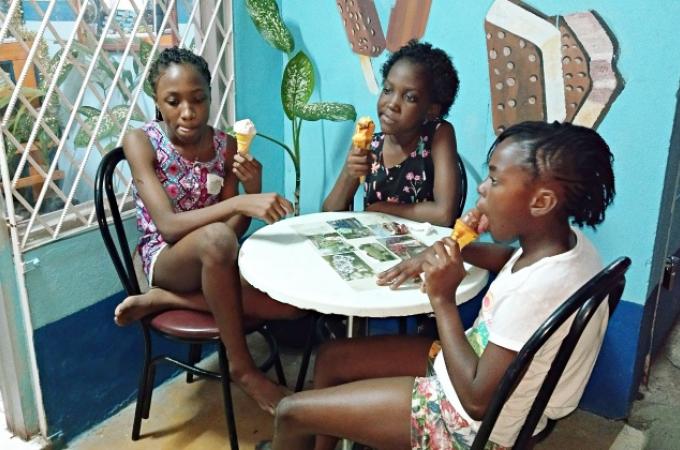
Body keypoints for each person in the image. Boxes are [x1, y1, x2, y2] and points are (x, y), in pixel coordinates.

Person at [267, 121, 616, 449]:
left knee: (290, 412)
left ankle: (308, 425)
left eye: (494, 181)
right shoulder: (568, 247)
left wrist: (443, 299)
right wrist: (459, 245)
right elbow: (510, 261)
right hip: (473, 368)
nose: (482, 188)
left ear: (541, 202)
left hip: (468, 423)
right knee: (333, 356)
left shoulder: (536, 293)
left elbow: (477, 401)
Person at [115, 47, 303, 414]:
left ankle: (165, 301)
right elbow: (168, 227)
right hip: (167, 260)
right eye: (173, 101)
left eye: (198, 99)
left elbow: (236, 228)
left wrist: (253, 187)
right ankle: (243, 368)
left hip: (216, 261)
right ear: (157, 101)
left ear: (210, 97)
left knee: (293, 307)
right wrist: (236, 204)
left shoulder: (225, 145)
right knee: (216, 239)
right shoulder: (141, 141)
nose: (187, 112)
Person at [323, 40, 462, 227]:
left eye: (410, 97)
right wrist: (349, 173)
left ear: (431, 110)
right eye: (388, 90)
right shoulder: (369, 145)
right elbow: (328, 215)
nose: (392, 104)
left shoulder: (439, 135)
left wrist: (381, 209)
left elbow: (443, 215)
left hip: (425, 250)